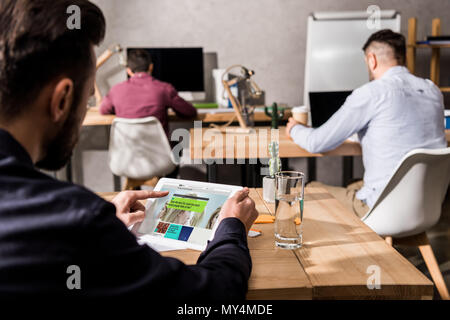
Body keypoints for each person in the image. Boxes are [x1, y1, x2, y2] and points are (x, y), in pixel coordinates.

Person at [0, 0, 258, 300]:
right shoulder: (75, 221)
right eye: (85, 100)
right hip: (162, 164)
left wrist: (105, 228)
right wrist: (231, 226)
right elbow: (213, 295)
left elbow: (106, 108)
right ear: (62, 100)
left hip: (123, 164)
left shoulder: (72, 223)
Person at [286, 29, 447, 218]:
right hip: (427, 209)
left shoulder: (372, 93)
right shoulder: (432, 90)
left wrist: (295, 128)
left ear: (372, 59)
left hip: (383, 211)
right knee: (356, 183)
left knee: (311, 189)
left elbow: (316, 143)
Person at [99, 49, 197, 137]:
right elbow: (190, 112)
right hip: (158, 154)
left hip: (127, 154)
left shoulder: (116, 90)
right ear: (151, 67)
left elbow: (103, 110)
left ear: (128, 70)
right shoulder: (164, 89)